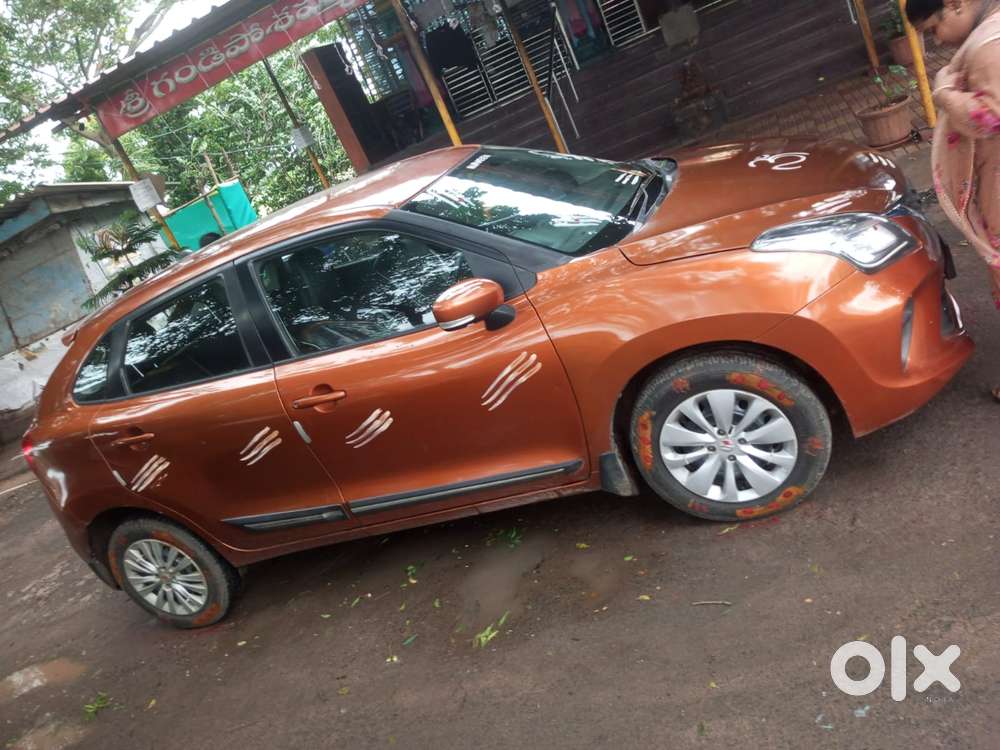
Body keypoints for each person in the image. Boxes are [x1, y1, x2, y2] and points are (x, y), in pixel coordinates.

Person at [905, 0, 1000, 399]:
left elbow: (991, 117)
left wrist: (944, 92)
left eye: (932, 29)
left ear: (955, 4)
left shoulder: (986, 46)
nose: (936, 40)